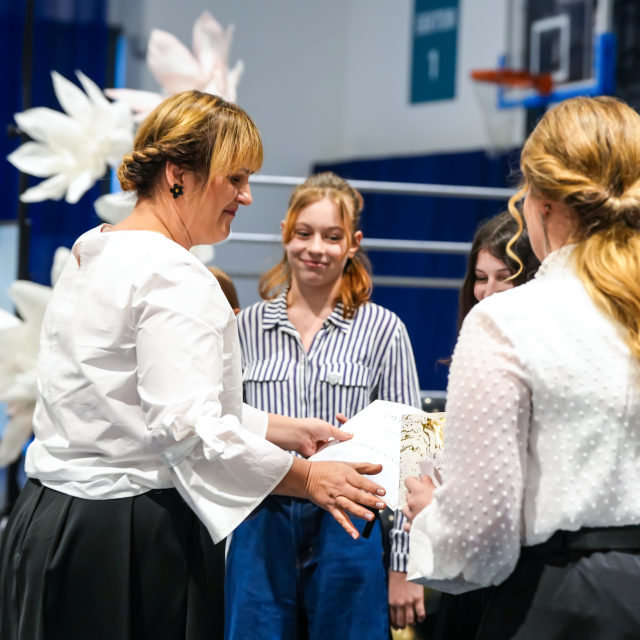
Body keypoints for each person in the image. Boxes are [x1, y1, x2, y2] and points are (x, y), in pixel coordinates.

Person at [0, 92, 388, 640]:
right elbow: (187, 429)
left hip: (48, 520)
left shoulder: (95, 248)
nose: (246, 196)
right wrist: (308, 479)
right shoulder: (174, 273)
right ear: (178, 175)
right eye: (236, 179)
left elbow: (148, 402)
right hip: (125, 536)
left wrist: (284, 429)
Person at [403, 95, 640, 640]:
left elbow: (480, 540)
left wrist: (433, 516)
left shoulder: (508, 320)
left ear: (542, 205)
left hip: (566, 602)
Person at [225, 172, 424, 640]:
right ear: (285, 234)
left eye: (332, 237)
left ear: (353, 243)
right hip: (260, 523)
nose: (316, 248)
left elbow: (416, 457)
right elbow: (225, 428)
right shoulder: (243, 328)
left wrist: (405, 566)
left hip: (350, 526)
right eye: (304, 233)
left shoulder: (385, 330)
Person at [435, 211, 539, 640]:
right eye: (480, 278)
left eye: (504, 276)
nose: (488, 290)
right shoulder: (474, 343)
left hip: (515, 557)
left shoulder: (538, 353)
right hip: (466, 561)